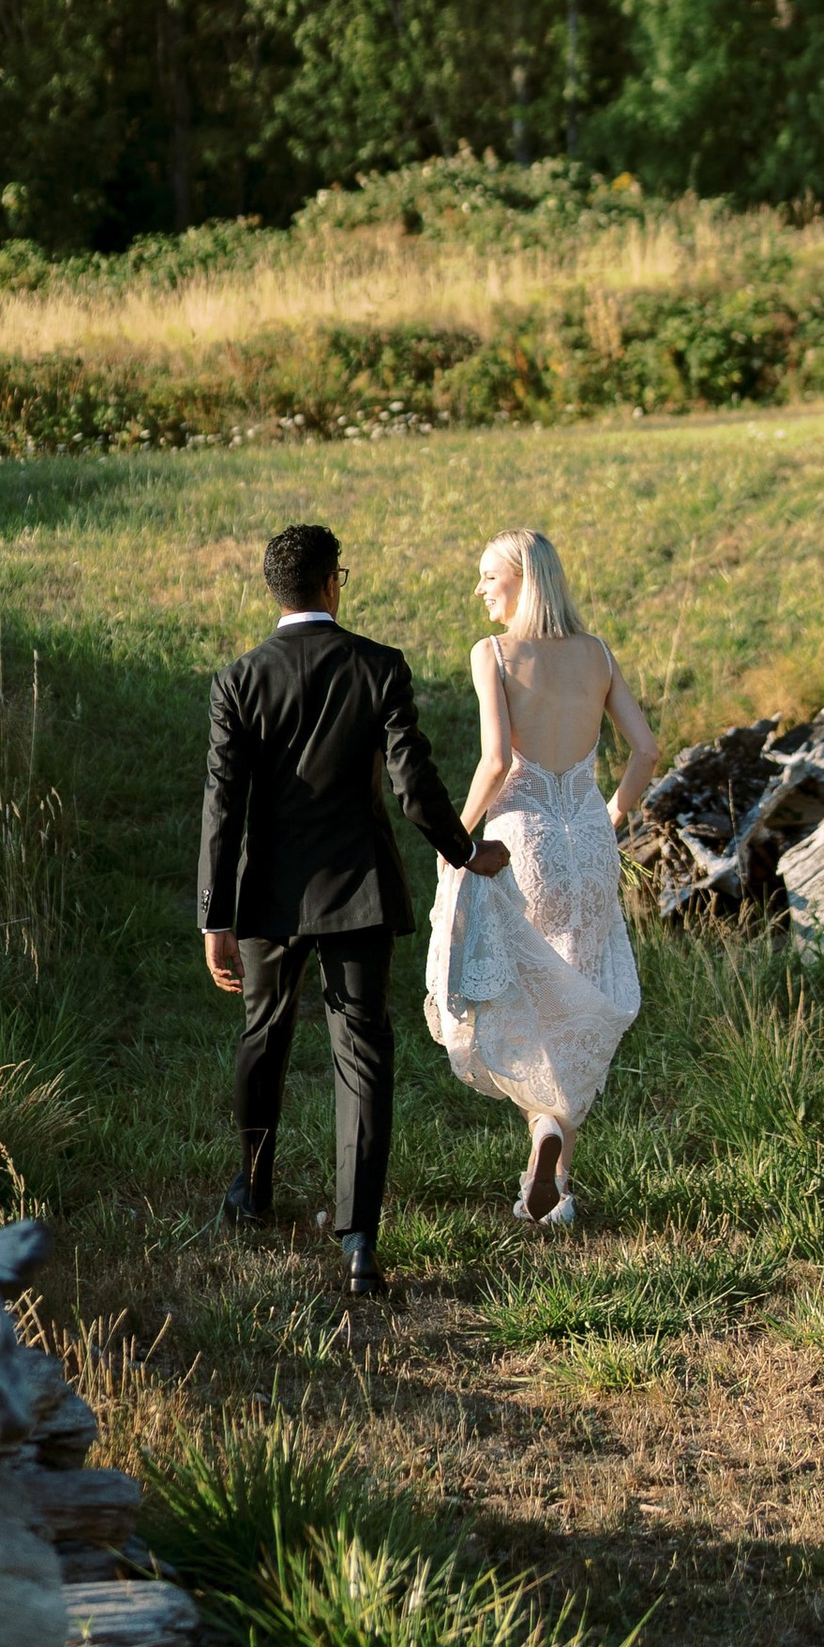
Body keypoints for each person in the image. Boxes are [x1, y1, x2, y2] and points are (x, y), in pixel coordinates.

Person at [197, 521, 509, 1303]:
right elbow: (414, 787)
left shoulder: (239, 680)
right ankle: (360, 1240)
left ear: (277, 589)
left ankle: (253, 1189)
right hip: (361, 891)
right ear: (335, 581)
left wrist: (216, 915)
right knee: (362, 1055)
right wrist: (465, 849)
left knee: (263, 1033)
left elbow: (221, 809)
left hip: (268, 893)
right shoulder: (380, 667)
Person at [425, 529, 659, 1229]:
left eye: (488, 576)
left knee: (528, 1001)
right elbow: (645, 750)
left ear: (523, 580)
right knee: (576, 994)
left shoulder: (494, 655)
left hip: (521, 843)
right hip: (586, 843)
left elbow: (496, 762)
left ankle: (543, 1136)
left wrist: (456, 835)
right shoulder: (598, 654)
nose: (480, 589)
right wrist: (611, 813)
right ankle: (553, 1163)